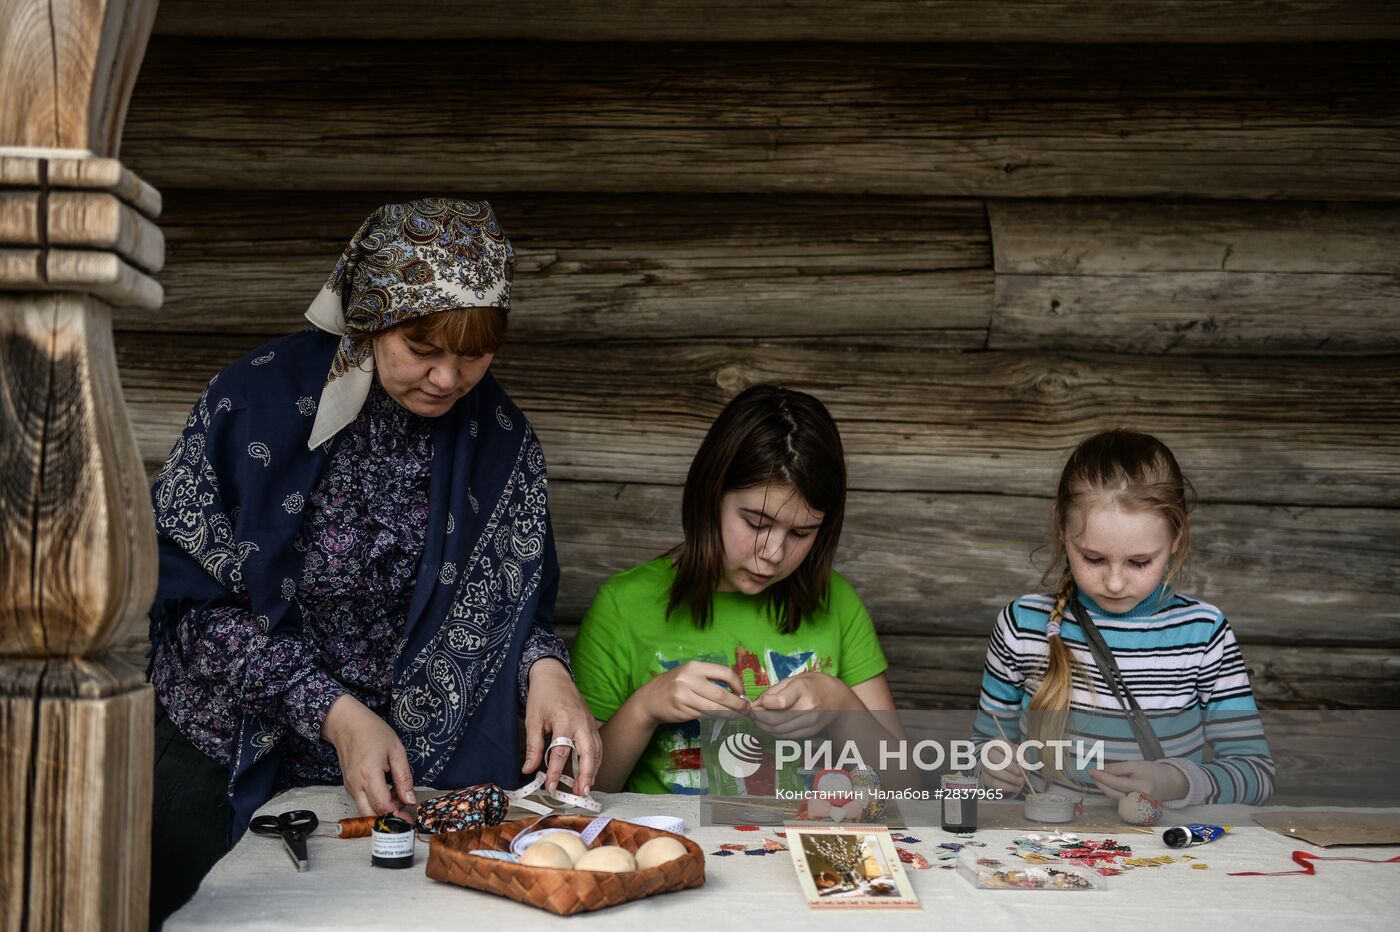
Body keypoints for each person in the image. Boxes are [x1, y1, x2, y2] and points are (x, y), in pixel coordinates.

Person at [146, 199, 599, 925]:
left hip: (400, 786)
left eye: (473, 354)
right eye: (422, 347)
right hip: (220, 759)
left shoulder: (501, 441)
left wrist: (545, 668)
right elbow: (192, 606)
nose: (448, 378)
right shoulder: (253, 405)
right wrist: (333, 712)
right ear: (369, 318)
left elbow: (516, 609)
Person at [571, 385, 896, 794]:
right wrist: (644, 709)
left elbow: (907, 783)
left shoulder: (837, 603)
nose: (773, 553)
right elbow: (572, 792)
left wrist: (844, 707)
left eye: (802, 532)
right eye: (757, 524)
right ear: (710, 496)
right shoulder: (623, 605)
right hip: (674, 849)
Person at [975, 429, 1274, 806]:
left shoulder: (1203, 632)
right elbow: (978, 752)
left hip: (1164, 854)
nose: (1115, 583)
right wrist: (989, 770)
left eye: (1139, 562)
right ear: (1062, 531)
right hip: (1040, 851)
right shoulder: (1022, 625)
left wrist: (1177, 782)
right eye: (1094, 558)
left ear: (1176, 539)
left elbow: (1256, 773)